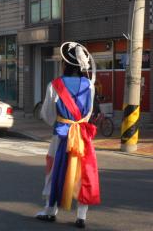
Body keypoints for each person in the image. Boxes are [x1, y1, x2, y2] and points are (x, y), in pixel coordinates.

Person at [36, 42, 100, 229]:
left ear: (65, 64)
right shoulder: (89, 85)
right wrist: (78, 123)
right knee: (83, 172)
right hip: (81, 134)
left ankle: (50, 210)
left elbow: (47, 114)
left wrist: (60, 123)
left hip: (61, 134)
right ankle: (81, 216)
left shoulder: (54, 85)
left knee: (54, 169)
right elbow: (88, 112)